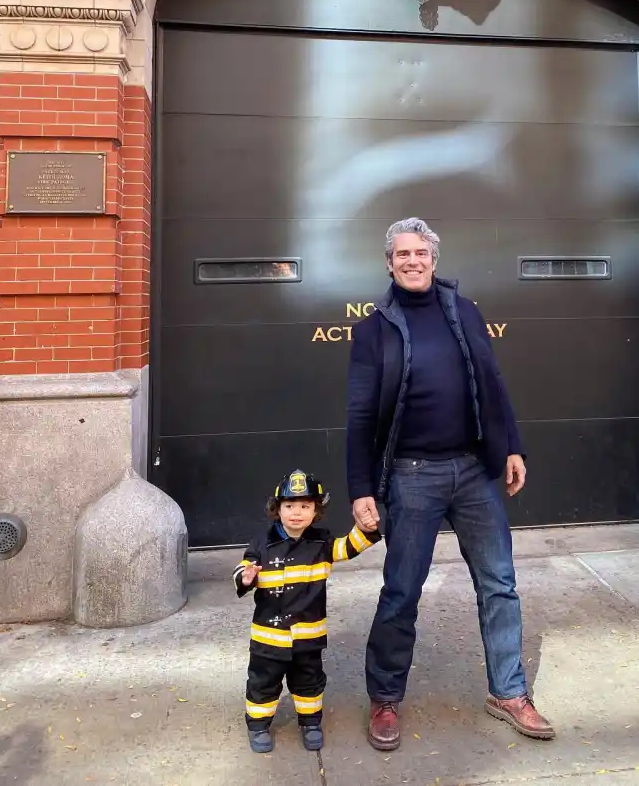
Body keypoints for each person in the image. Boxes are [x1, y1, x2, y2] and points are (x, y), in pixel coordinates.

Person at [346, 217, 556, 751]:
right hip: (412, 476)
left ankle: (509, 692)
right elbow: (360, 415)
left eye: (421, 253)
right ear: (389, 263)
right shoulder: (373, 330)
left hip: (474, 471)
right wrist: (361, 489)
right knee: (402, 590)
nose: (412, 261)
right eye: (402, 254)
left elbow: (493, 384)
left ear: (434, 260)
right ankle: (385, 698)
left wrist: (511, 446)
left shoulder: (464, 311)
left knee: (499, 583)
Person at [234, 469, 382, 754]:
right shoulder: (261, 542)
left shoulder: (322, 542)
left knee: (309, 682)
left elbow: (348, 547)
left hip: (308, 635)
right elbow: (244, 567)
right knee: (263, 683)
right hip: (269, 637)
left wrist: (364, 528)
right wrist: (246, 577)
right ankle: (258, 725)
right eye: (290, 506)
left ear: (316, 511)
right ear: (277, 509)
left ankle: (311, 723)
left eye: (305, 506)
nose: (297, 513)